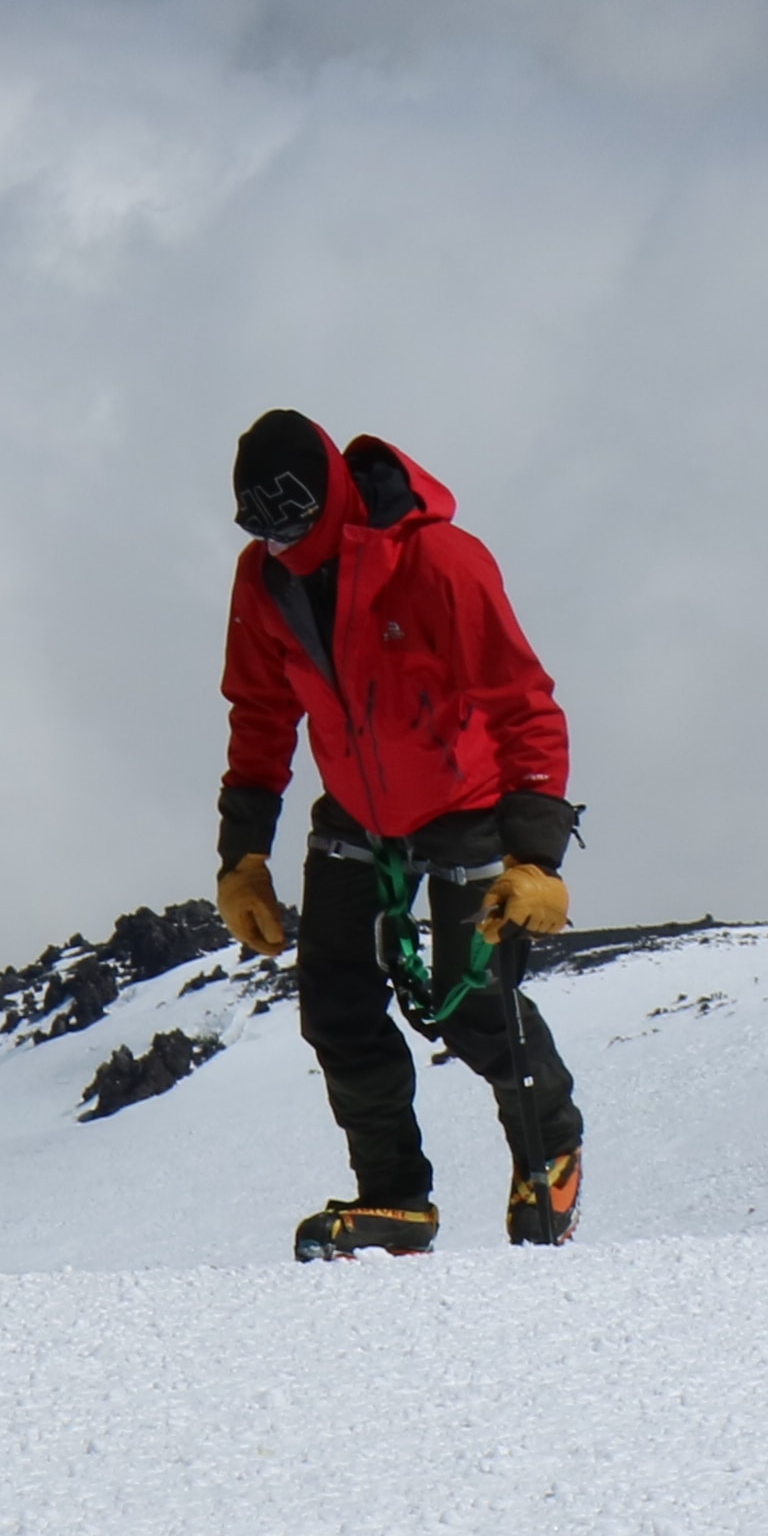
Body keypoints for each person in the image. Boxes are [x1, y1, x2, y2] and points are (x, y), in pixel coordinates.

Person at [210, 410, 584, 1258]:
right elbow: (262, 715)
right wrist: (244, 855)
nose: (280, 543)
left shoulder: (439, 562)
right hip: (356, 813)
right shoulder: (262, 581)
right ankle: (394, 1196)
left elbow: (522, 701)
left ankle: (549, 1147)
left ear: (333, 497)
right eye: (260, 528)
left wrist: (538, 855)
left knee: (473, 1002)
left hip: (466, 802)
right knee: (336, 1002)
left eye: (294, 521)